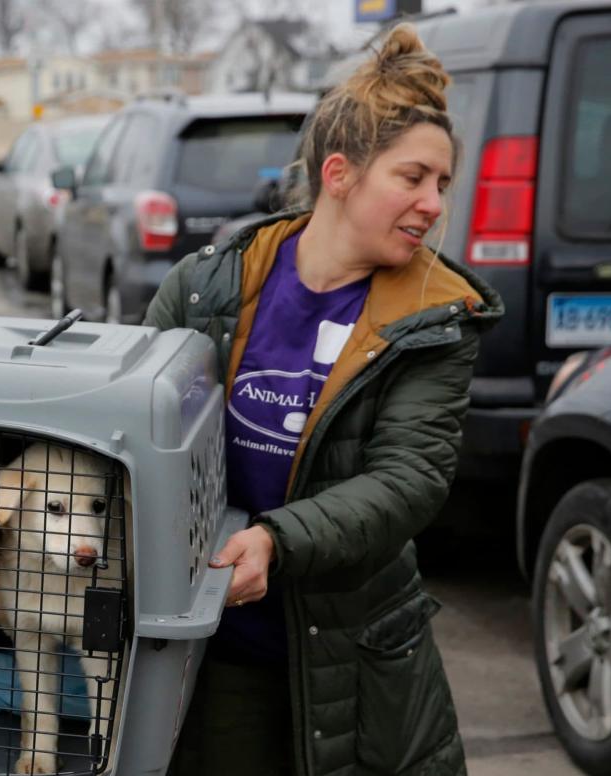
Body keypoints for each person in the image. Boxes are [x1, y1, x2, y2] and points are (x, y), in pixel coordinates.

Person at [145, 24, 504, 776]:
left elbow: (409, 479)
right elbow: (132, 426)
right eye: (413, 178)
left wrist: (277, 540)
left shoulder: (437, 316)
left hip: (357, 657)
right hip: (213, 650)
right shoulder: (210, 284)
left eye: (442, 183)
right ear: (339, 174)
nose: (434, 203)